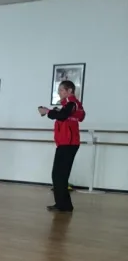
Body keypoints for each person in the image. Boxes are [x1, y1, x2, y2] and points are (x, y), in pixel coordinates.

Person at [38, 80, 85, 212]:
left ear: (69, 91)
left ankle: (64, 205)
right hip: (65, 143)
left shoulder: (72, 103)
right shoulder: (69, 105)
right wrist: (51, 112)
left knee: (59, 175)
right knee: (58, 175)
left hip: (68, 144)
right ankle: (63, 204)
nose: (59, 92)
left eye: (61, 90)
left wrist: (48, 111)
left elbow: (62, 116)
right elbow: (62, 115)